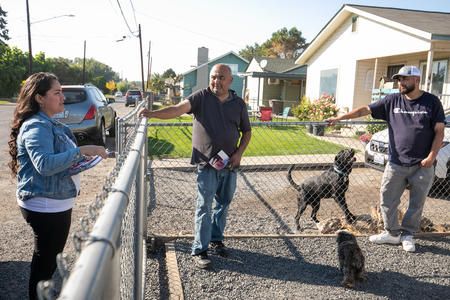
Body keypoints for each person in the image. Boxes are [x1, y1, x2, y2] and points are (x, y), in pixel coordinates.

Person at [139, 64, 251, 268]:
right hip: (207, 164)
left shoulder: (238, 104)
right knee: (204, 207)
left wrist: (238, 154)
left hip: (229, 165)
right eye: (213, 77)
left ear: (230, 80)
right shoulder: (201, 97)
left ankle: (216, 240)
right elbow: (177, 109)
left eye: (221, 77)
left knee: (223, 205)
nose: (216, 81)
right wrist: (152, 114)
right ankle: (200, 249)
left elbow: (247, 132)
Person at [8, 72, 107, 300]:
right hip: (45, 205)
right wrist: (82, 151)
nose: (63, 97)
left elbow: (59, 160)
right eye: (57, 92)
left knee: (47, 262)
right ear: (39, 98)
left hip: (54, 201)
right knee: (45, 265)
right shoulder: (36, 126)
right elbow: (44, 164)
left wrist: (84, 159)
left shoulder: (49, 123)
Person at [326, 66, 445, 252]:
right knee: (387, 197)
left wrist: (432, 156)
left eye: (405, 79)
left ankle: (407, 235)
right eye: (399, 80)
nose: (401, 83)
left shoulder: (431, 101)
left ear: (416, 80)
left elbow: (439, 131)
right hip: (396, 162)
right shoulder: (392, 100)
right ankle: (391, 233)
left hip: (422, 164)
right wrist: (341, 118)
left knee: (417, 202)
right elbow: (364, 109)